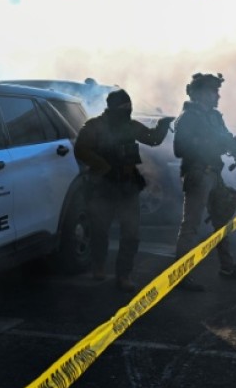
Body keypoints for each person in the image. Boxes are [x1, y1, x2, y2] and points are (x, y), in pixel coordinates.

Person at [74, 89, 173, 292]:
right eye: (123, 107)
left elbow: (152, 139)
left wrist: (163, 126)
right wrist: (104, 167)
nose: (127, 110)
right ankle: (99, 266)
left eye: (129, 107)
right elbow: (81, 149)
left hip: (127, 185)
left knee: (131, 234)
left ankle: (124, 275)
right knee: (100, 231)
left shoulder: (130, 126)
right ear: (112, 107)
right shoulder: (95, 126)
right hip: (103, 186)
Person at [172, 73, 236, 292]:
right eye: (213, 91)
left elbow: (225, 138)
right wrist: (212, 144)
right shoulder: (188, 118)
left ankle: (228, 266)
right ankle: (180, 275)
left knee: (222, 222)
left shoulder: (215, 117)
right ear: (200, 93)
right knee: (191, 225)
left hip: (214, 174)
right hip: (198, 174)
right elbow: (179, 148)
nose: (218, 96)